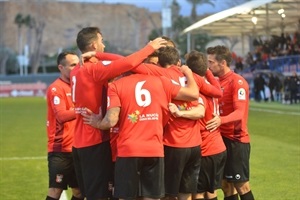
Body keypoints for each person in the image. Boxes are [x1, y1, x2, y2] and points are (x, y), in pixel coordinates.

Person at [70, 26, 167, 200]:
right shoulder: (94, 69)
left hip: (78, 142)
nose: (104, 46)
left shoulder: (76, 70)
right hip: (94, 140)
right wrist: (150, 48)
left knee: (87, 194)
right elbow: (128, 63)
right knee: (99, 195)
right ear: (93, 45)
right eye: (101, 41)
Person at [82, 65, 199, 200]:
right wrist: (189, 74)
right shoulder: (161, 82)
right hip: (154, 149)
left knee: (127, 196)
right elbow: (193, 94)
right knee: (152, 197)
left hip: (129, 150)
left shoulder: (116, 85)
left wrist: (97, 123)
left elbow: (111, 121)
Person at [206, 45, 255, 200]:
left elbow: (239, 113)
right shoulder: (215, 82)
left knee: (242, 185)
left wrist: (221, 120)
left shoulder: (237, 83)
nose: (209, 66)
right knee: (226, 185)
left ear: (223, 63)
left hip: (236, 140)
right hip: (220, 140)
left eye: (211, 62)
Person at [183, 50, 227, 200]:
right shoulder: (210, 86)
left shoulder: (197, 91)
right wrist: (207, 72)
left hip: (206, 149)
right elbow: (217, 89)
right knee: (211, 192)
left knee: (198, 194)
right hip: (218, 147)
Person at [45, 51, 83, 200]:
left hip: (78, 148)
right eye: (73, 65)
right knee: (55, 190)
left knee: (79, 192)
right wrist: (82, 109)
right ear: (61, 67)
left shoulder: (79, 87)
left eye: (78, 64)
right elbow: (61, 116)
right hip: (60, 149)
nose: (76, 68)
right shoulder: (56, 88)